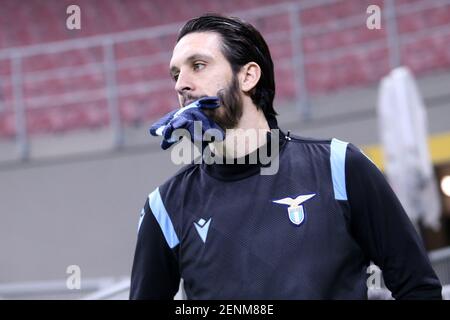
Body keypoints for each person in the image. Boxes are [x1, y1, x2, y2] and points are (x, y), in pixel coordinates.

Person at [129, 14, 442, 300]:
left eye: (198, 65)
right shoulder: (164, 207)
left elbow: (419, 288)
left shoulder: (341, 166)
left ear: (248, 76)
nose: (181, 84)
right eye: (175, 74)